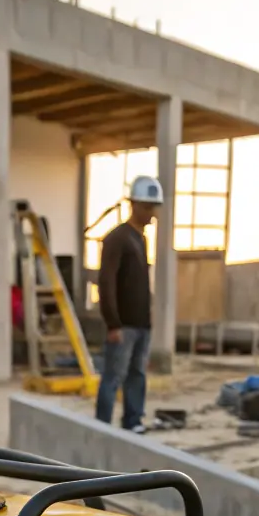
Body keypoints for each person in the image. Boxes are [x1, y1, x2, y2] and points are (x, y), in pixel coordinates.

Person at [94, 175, 163, 432]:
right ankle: (102, 427)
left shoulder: (140, 239)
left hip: (141, 324)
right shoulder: (118, 239)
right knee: (113, 378)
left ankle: (133, 421)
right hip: (123, 326)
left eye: (153, 207)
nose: (151, 213)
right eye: (147, 207)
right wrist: (113, 323)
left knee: (137, 375)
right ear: (134, 205)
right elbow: (107, 282)